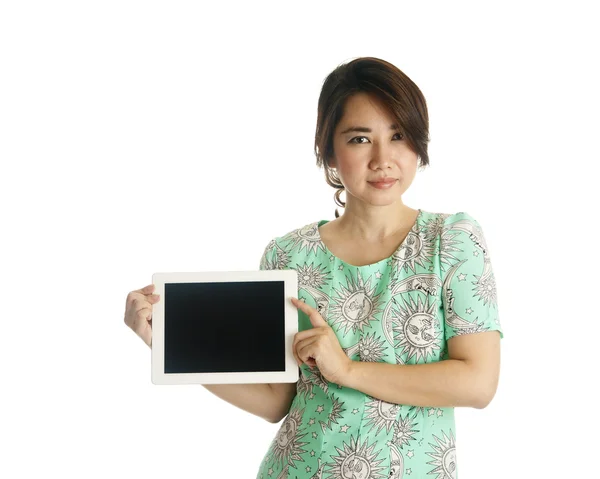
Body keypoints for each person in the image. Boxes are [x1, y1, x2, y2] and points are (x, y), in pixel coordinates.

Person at [124, 56, 503, 479]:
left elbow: (477, 383)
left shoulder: (452, 242)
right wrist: (171, 346)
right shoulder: (289, 255)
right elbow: (274, 401)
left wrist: (348, 371)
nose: (383, 158)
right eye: (360, 139)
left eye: (398, 135)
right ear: (329, 150)